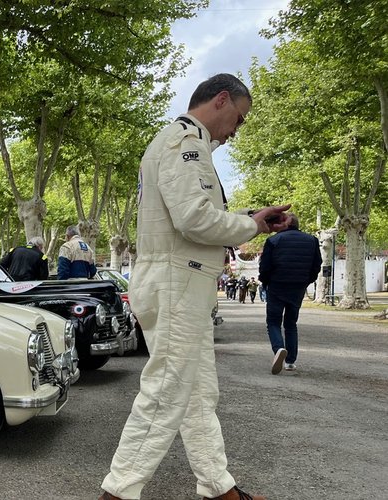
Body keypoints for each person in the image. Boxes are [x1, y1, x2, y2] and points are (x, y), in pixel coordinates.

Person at [98, 74, 290, 500]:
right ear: (221, 100)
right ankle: (117, 494)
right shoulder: (187, 142)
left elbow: (185, 216)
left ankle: (218, 487)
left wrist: (249, 216)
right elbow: (195, 219)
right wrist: (250, 225)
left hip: (175, 278)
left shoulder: (177, 140)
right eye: (239, 119)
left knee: (199, 394)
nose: (236, 131)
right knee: (166, 390)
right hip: (177, 282)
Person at [258, 213, 321, 374]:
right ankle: (290, 361)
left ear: (285, 223)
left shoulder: (273, 241)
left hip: (277, 284)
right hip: (298, 285)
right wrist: (307, 280)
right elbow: (316, 265)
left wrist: (265, 281)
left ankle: (279, 349)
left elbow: (265, 265)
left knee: (273, 321)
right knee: (291, 323)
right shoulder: (312, 240)